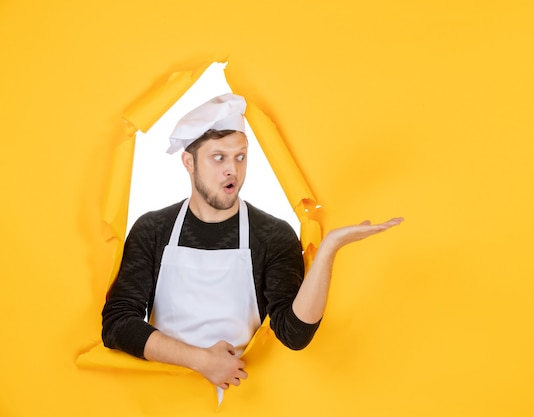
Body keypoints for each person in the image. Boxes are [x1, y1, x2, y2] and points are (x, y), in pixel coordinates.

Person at [101, 93, 403, 391]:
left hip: (245, 398)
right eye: (219, 157)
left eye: (240, 156)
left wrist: (328, 250)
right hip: (164, 402)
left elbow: (294, 334)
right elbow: (117, 324)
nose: (233, 169)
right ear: (188, 162)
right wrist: (201, 360)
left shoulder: (272, 234)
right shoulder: (153, 229)